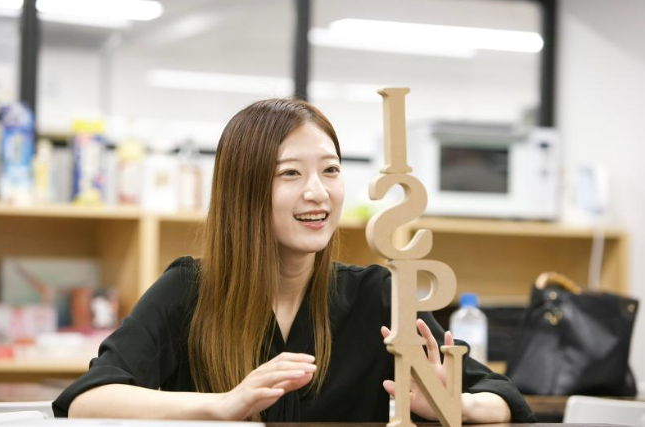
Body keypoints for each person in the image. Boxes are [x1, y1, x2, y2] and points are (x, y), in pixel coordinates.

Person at [53, 98, 535, 423]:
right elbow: (86, 400)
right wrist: (222, 406)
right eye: (290, 173)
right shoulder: (188, 290)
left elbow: (505, 398)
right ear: (244, 190)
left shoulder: (379, 295)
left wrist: (457, 404)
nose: (317, 192)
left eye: (331, 170)